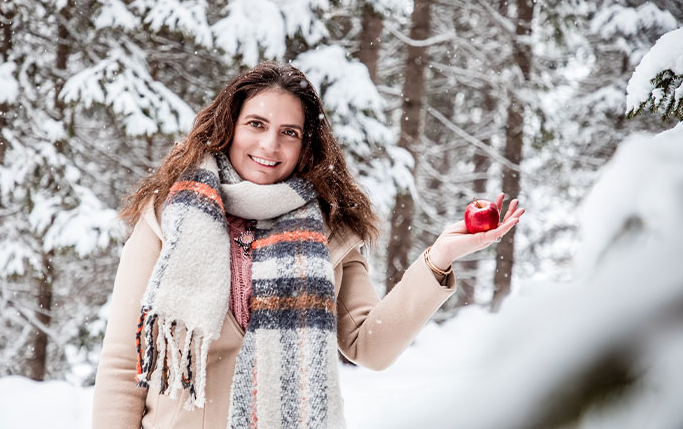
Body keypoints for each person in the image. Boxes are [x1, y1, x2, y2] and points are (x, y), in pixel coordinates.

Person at [91, 61, 525, 429]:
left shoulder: (330, 233)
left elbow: (369, 346)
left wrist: (439, 258)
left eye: (289, 132)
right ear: (229, 127)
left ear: (306, 145)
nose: (269, 145)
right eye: (256, 124)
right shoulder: (170, 217)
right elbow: (121, 365)